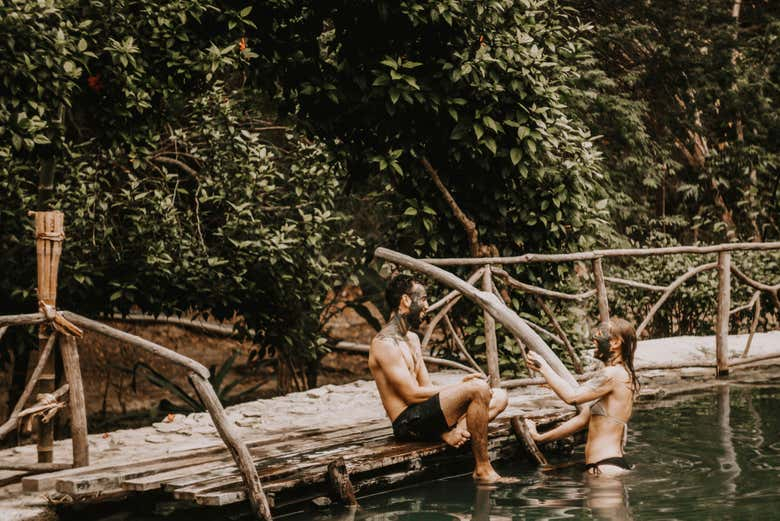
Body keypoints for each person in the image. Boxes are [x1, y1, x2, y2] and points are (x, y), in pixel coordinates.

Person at [369, 274, 509, 482]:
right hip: (407, 423)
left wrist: (459, 390)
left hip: (423, 416)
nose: (427, 305)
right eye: (423, 298)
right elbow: (411, 395)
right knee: (478, 389)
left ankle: (452, 434)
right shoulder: (384, 344)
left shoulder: (412, 339)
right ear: (406, 300)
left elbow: (426, 387)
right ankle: (483, 469)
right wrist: (462, 387)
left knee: (499, 396)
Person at [524, 317, 639, 476]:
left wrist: (544, 368)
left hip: (604, 468)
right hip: (609, 466)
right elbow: (582, 419)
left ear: (615, 343)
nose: (594, 342)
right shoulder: (623, 375)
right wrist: (539, 438)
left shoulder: (611, 374)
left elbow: (572, 397)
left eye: (599, 337)